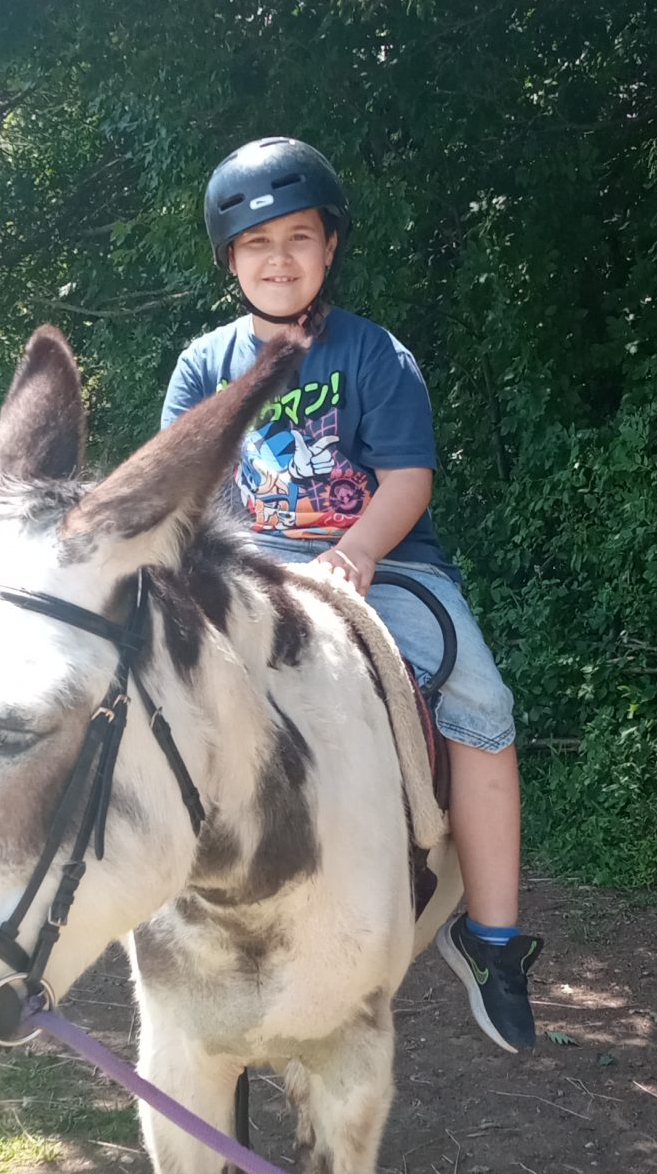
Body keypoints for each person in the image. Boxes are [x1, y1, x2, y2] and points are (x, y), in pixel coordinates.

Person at [160, 135, 542, 1054]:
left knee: (482, 703)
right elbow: (184, 489)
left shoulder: (375, 356)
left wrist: (357, 552)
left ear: (329, 247)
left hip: (385, 563)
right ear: (230, 261)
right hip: (248, 571)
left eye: (298, 237)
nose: (278, 258)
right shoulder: (205, 366)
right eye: (257, 244)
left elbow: (408, 478)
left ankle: (491, 939)